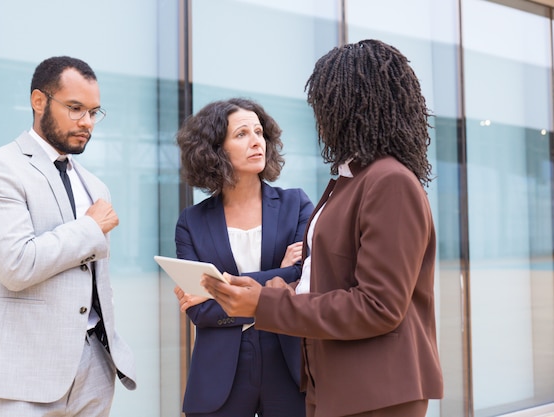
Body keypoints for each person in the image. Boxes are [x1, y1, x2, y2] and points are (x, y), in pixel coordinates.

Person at [202, 40, 444, 417]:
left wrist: (266, 303)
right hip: (334, 383)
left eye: (325, 105)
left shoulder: (389, 182)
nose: (319, 119)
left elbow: (378, 305)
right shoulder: (349, 181)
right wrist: (283, 288)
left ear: (352, 107)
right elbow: (333, 281)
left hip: (377, 392)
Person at [0, 56, 137, 416]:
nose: (86, 122)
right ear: (39, 101)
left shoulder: (95, 185)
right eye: (75, 108)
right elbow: (16, 265)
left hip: (93, 373)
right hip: (21, 377)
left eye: (93, 112)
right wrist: (89, 228)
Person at [173, 97, 313, 417]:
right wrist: (277, 275)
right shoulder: (191, 222)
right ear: (215, 149)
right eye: (241, 134)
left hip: (288, 365)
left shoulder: (297, 205)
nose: (256, 141)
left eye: (259, 132)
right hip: (219, 374)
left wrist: (217, 287)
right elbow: (202, 312)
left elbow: (305, 278)